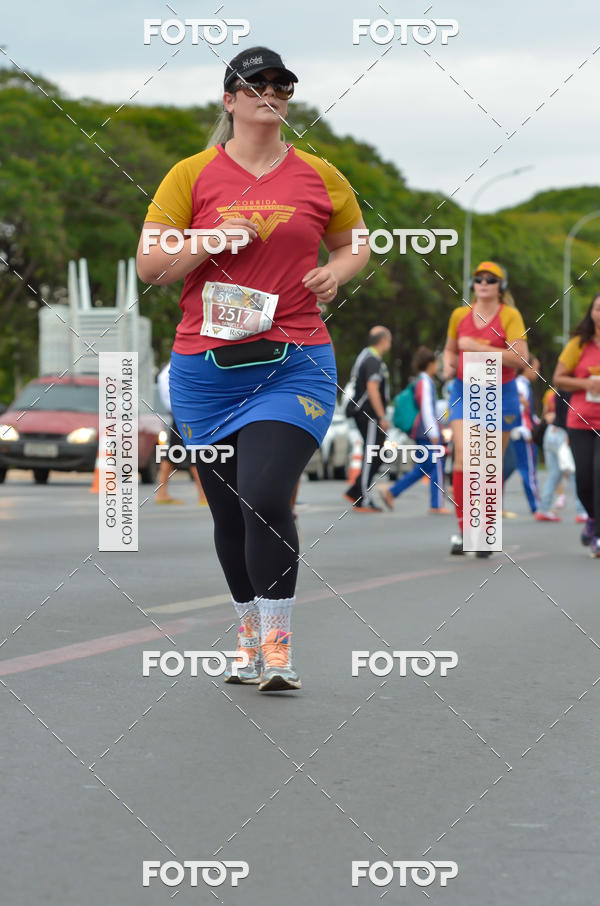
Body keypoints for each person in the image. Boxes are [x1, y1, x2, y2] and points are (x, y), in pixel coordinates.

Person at [137, 46, 370, 690]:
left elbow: (358, 242)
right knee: (229, 513)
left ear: (288, 99)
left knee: (267, 497)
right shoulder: (191, 175)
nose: (270, 91)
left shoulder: (320, 176)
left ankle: (278, 646)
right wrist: (208, 238)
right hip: (205, 372)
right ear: (230, 99)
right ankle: (246, 629)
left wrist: (337, 270)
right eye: (255, 82)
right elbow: (151, 269)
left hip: (295, 362)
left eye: (281, 84)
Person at [443, 261, 528, 556]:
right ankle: (467, 531)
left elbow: (520, 359)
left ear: (501, 287)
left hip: (499, 392)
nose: (483, 283)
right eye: (479, 278)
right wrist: (447, 362)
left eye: (491, 280)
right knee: (463, 459)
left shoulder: (510, 315)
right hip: (464, 390)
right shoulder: (459, 314)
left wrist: (477, 348)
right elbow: (451, 348)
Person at [553, 293, 600, 556]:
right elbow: (559, 378)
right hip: (580, 421)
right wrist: (586, 383)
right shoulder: (578, 345)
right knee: (584, 480)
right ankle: (593, 518)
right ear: (591, 312)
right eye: (597, 309)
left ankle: (599, 536)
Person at [382, 346, 449, 513]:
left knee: (426, 466)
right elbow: (426, 408)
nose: (438, 366)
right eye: (436, 362)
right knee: (435, 465)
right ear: (430, 363)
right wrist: (433, 432)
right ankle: (436, 505)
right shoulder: (425, 382)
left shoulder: (420, 381)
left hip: (421, 431)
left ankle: (392, 492)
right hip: (426, 432)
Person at [344, 326, 392, 512]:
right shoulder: (372, 360)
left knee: (378, 453)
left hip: (367, 413)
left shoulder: (367, 357)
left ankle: (355, 489)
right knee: (372, 454)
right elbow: (373, 389)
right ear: (383, 340)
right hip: (368, 414)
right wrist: (382, 416)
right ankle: (362, 498)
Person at [155, 362, 207, 505]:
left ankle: (162, 493)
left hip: (181, 412)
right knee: (193, 452)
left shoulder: (172, 367)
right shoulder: (178, 365)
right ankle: (203, 495)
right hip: (184, 413)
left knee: (173, 453)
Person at [535, 387, 587, 523]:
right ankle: (582, 511)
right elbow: (571, 414)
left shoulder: (553, 392)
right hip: (564, 434)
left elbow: (547, 412)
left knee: (554, 474)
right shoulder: (574, 392)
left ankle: (543, 509)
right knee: (574, 473)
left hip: (550, 432)